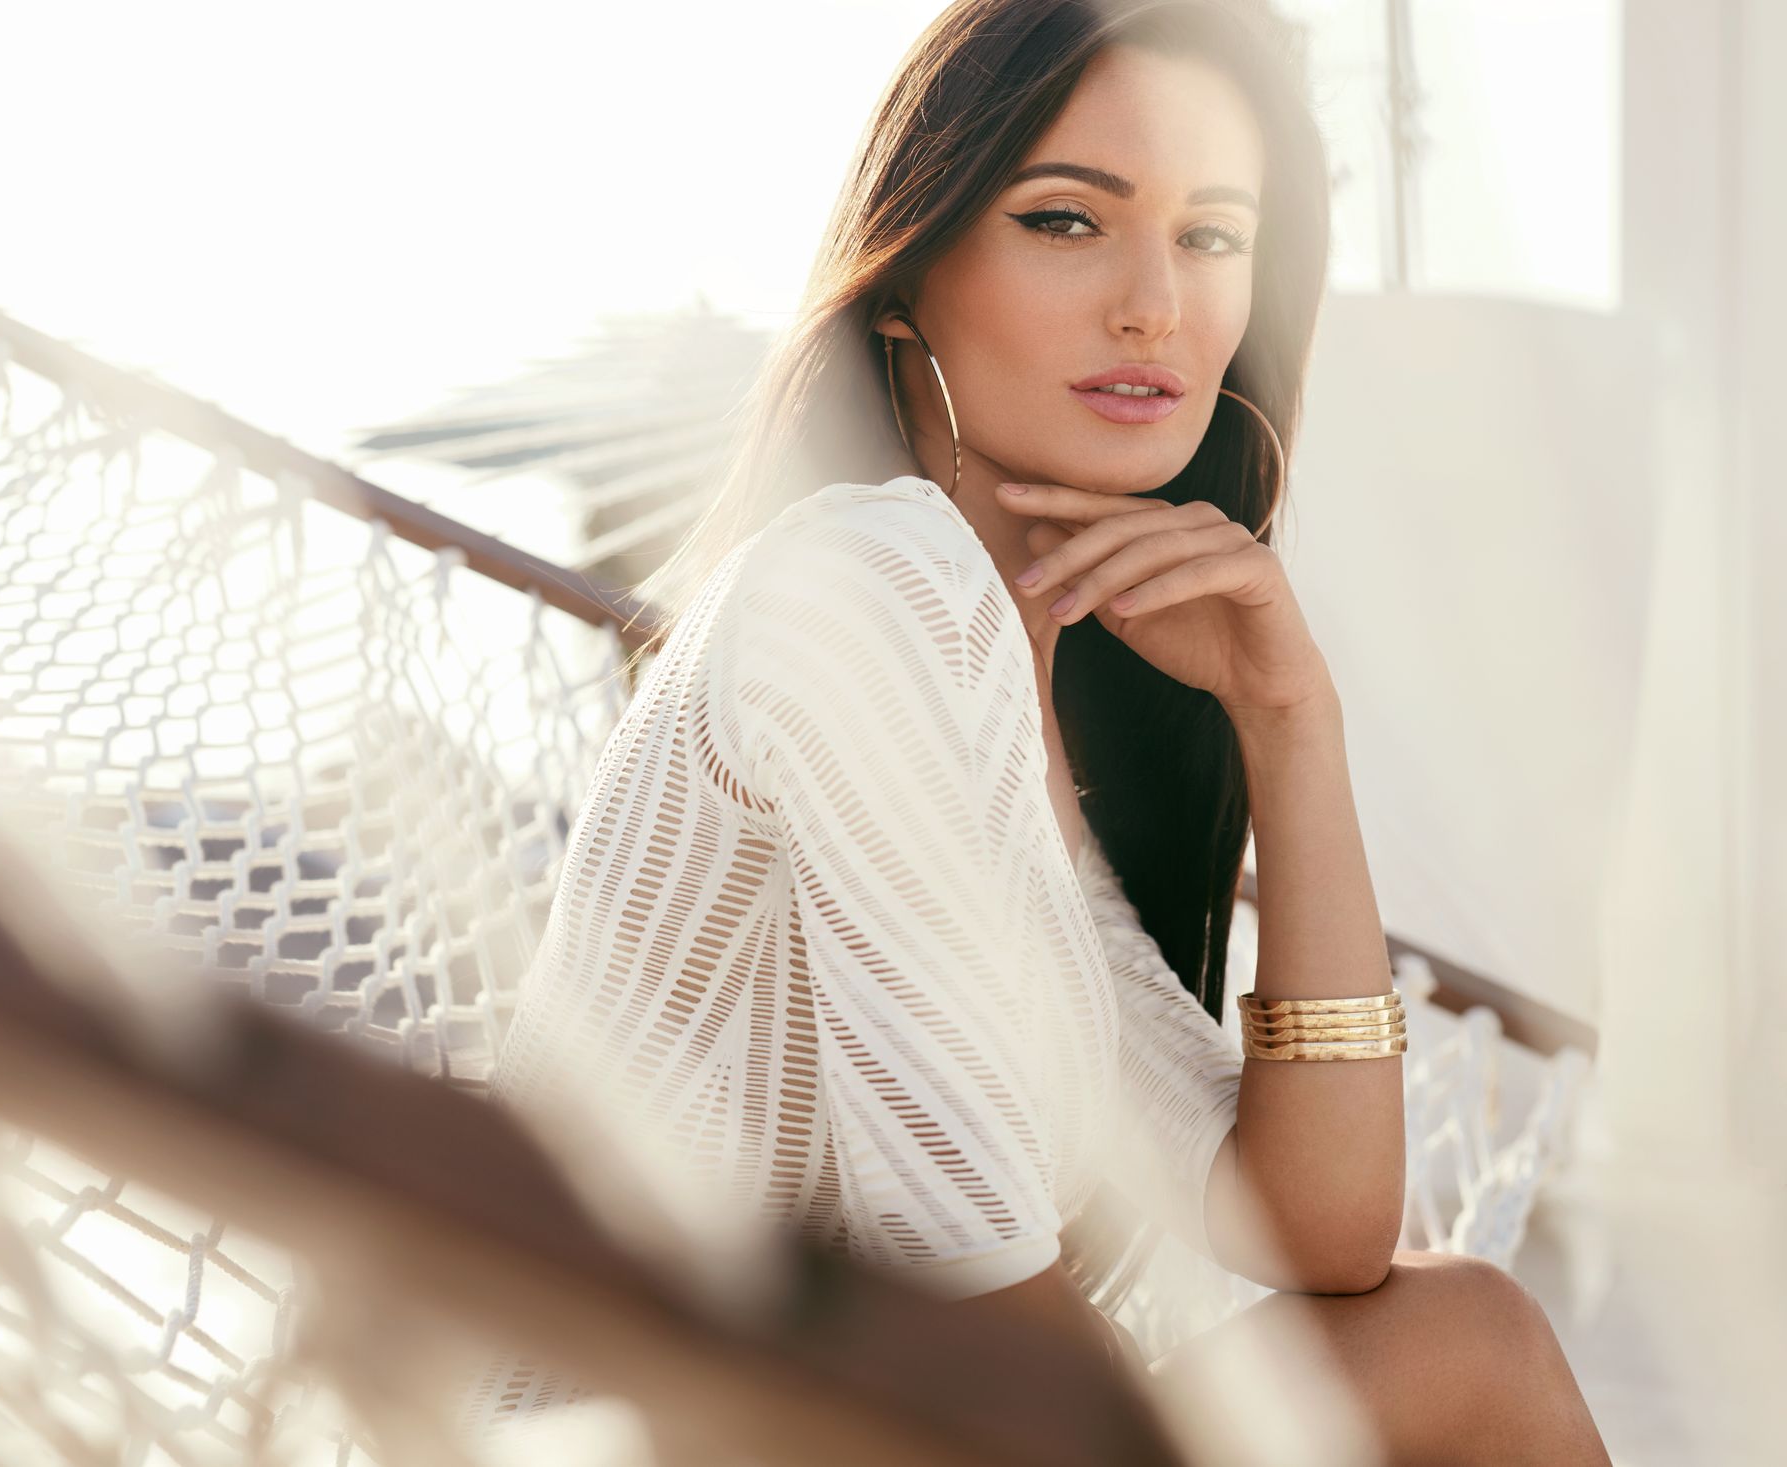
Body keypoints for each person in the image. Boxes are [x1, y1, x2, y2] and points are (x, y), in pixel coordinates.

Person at [460, 2, 1612, 1461]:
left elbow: (1322, 1229)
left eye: (1211, 237)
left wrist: (1291, 720)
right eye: (1069, 222)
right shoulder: (870, 587)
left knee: (1460, 1328)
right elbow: (998, 1338)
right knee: (1469, 1346)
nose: (1156, 307)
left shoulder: (997, 719)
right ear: (910, 280)